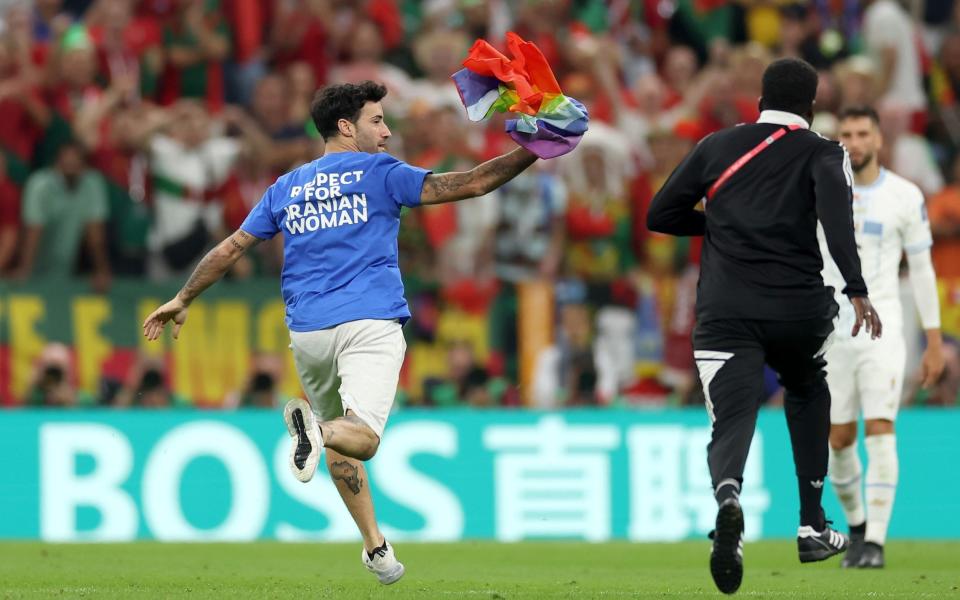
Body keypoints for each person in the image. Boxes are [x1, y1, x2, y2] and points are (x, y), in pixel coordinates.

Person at [142, 81, 548, 585]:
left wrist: (184, 297)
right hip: (370, 322)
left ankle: (374, 546)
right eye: (378, 120)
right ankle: (316, 429)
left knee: (337, 442)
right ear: (346, 126)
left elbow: (231, 247)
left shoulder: (288, 186)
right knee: (362, 437)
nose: (387, 130)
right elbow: (471, 183)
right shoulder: (382, 173)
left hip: (308, 333)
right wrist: (537, 147)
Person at [647, 58, 883, 595]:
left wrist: (721, 224)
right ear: (813, 106)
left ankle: (729, 495)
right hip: (797, 310)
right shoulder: (825, 152)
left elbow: (660, 214)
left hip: (726, 311)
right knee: (806, 386)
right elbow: (836, 219)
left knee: (732, 417)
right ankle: (811, 523)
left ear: (759, 101)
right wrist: (857, 288)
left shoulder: (715, 146)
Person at [822, 106, 945, 569]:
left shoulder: (904, 195)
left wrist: (933, 341)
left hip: (884, 328)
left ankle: (874, 541)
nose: (853, 141)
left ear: (878, 141)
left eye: (861, 133)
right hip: (832, 333)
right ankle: (856, 529)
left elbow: (923, 269)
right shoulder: (820, 192)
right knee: (837, 439)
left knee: (879, 428)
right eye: (846, 134)